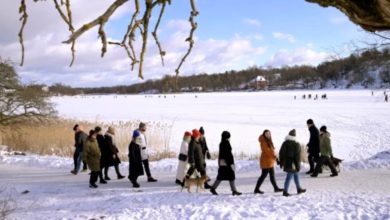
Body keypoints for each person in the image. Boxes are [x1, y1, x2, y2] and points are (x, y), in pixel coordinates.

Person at [210, 131, 242, 196]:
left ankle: (233, 190)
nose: (229, 138)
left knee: (222, 176)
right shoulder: (226, 143)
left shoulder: (222, 143)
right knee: (230, 176)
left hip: (223, 162)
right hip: (227, 163)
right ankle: (233, 190)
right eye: (229, 137)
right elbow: (227, 154)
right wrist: (230, 163)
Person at [254, 130, 283, 194]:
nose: (268, 135)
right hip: (266, 161)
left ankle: (276, 188)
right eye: (266, 133)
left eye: (269, 133)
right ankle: (256, 189)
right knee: (263, 176)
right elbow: (268, 152)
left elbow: (272, 151)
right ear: (264, 134)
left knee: (272, 176)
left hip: (270, 161)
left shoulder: (268, 140)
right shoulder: (263, 142)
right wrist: (276, 158)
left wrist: (275, 158)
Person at [279, 129, 306, 197]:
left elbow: (281, 153)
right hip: (293, 164)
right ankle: (285, 191)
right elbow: (297, 157)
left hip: (287, 163)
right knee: (289, 177)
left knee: (296, 175)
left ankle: (299, 189)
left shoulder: (284, 143)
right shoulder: (296, 144)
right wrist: (298, 166)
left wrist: (281, 162)